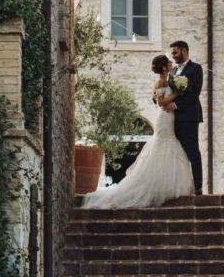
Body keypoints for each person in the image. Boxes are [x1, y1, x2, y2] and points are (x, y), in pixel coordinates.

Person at [81, 54, 194, 209]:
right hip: (165, 117)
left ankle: (165, 185)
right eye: (168, 62)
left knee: (170, 145)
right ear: (163, 67)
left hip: (171, 116)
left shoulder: (169, 80)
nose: (171, 63)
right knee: (164, 144)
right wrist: (177, 94)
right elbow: (161, 103)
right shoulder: (160, 81)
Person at [163, 40, 204, 194]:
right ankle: (181, 185)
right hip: (173, 118)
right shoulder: (172, 72)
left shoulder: (196, 69)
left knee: (192, 151)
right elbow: (168, 92)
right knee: (178, 152)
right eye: (172, 53)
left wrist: (176, 105)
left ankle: (198, 186)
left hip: (189, 116)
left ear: (184, 51)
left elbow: (195, 93)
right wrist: (158, 97)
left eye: (175, 52)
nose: (172, 56)